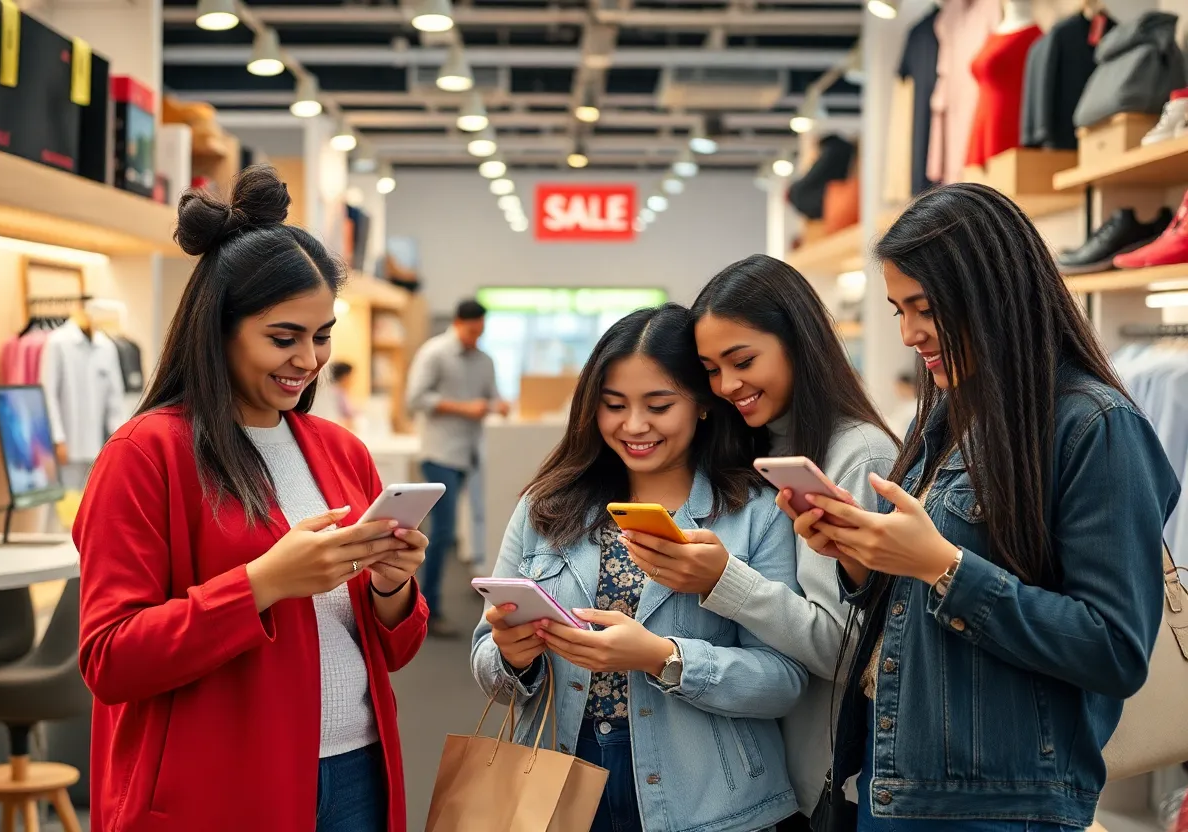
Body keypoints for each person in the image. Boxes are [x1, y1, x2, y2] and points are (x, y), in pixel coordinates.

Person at [785, 183, 1180, 831]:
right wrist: (860, 558)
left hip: (999, 809)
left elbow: (1113, 649)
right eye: (898, 311)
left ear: (993, 292)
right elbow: (912, 614)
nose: (911, 333)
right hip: (898, 792)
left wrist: (944, 566)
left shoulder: (1093, 427)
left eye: (925, 308)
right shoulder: (951, 417)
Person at [73, 165, 431, 832]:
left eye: (322, 335)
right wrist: (263, 583)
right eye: (283, 337)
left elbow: (393, 649)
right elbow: (110, 658)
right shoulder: (147, 454)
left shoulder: (340, 451)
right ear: (220, 329)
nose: (310, 359)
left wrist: (391, 588)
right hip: (217, 785)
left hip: (356, 771)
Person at [472, 303, 809, 832]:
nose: (634, 426)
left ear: (700, 404)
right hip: (560, 780)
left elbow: (784, 681)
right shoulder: (547, 506)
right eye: (613, 405)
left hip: (708, 799)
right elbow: (486, 657)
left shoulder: (756, 514)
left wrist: (664, 659)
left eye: (658, 405)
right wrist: (513, 659)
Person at [619, 254, 897, 827]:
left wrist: (724, 582)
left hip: (829, 775)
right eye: (710, 370)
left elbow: (843, 650)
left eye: (742, 361)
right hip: (757, 776)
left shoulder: (856, 456)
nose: (728, 386)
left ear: (797, 340)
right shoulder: (752, 446)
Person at [406, 298, 509, 637]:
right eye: (471, 331)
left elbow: (491, 397)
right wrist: (464, 408)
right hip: (438, 453)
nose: (475, 338)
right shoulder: (434, 353)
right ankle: (428, 608)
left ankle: (476, 579)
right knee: (445, 531)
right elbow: (415, 399)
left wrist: (498, 405)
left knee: (481, 521)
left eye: (480, 332)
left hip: (471, 454)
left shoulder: (484, 360)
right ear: (457, 322)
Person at [331, 361, 359, 430]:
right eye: (351, 376)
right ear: (344, 377)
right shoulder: (335, 393)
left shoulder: (342, 392)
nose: (353, 379)